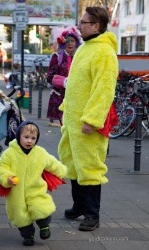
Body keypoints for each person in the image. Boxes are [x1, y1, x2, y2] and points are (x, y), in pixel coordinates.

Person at [58, 6, 119, 231]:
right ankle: (79, 206)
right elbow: (76, 85)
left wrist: (92, 120)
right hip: (73, 119)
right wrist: (66, 111)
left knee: (90, 166)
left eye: (84, 22)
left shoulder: (104, 52)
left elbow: (104, 90)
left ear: (96, 26)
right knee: (74, 164)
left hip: (88, 123)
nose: (79, 25)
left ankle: (92, 214)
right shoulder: (86, 49)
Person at [0, 120, 67, 246]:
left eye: (33, 138)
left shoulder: (40, 153)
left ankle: (44, 226)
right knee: (20, 216)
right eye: (26, 137)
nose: (29, 141)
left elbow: (52, 163)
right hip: (16, 193)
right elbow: (0, 168)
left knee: (42, 208)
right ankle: (28, 235)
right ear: (18, 136)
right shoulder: (10, 153)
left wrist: (63, 171)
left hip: (36, 188)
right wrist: (7, 178)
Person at [46, 26, 81, 127]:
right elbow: (49, 77)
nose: (70, 43)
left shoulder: (79, 57)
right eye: (68, 41)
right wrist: (64, 81)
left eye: (73, 41)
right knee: (64, 128)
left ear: (76, 43)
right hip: (59, 99)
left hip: (75, 99)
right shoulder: (56, 57)